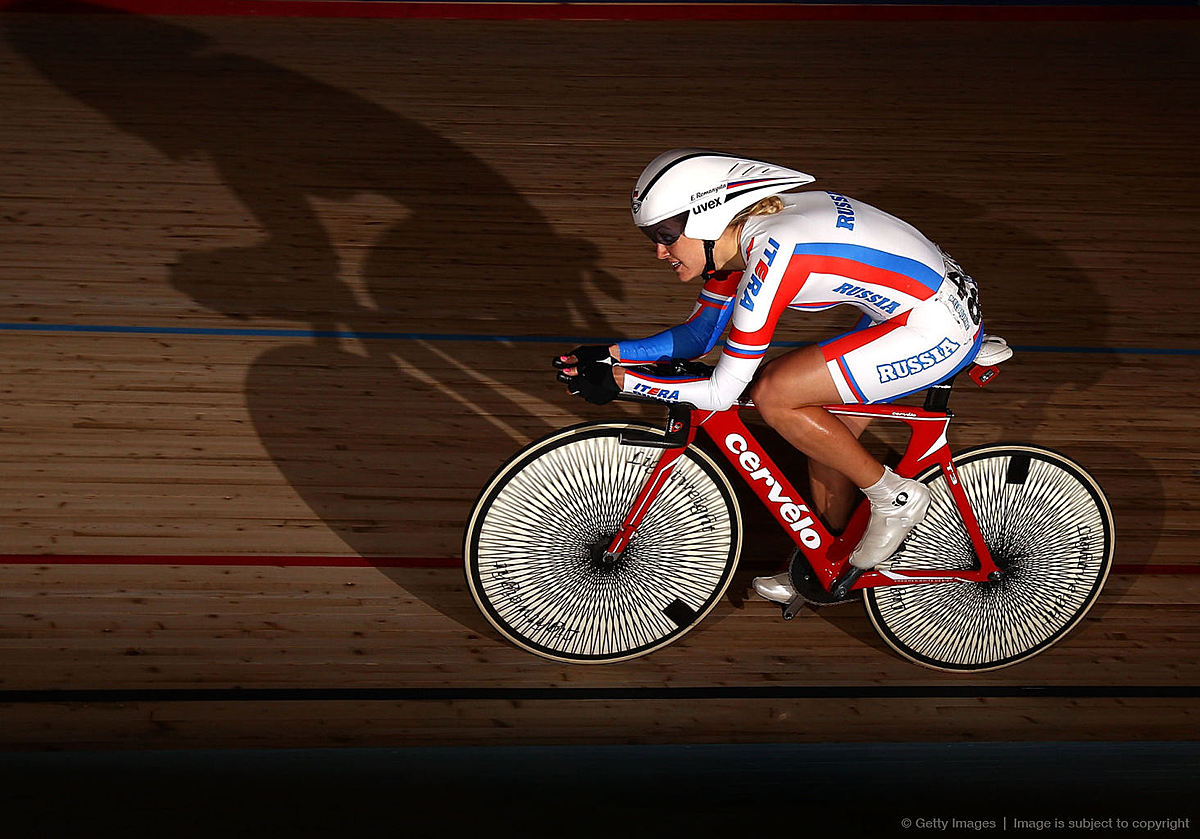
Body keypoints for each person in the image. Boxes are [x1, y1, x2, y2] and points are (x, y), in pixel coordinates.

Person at [555, 148, 988, 601]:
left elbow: (725, 390)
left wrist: (626, 383)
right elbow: (701, 337)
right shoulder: (736, 238)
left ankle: (894, 497)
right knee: (825, 435)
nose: (660, 252)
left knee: (775, 392)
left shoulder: (775, 252)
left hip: (934, 328)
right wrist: (610, 354)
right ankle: (828, 559)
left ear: (707, 218)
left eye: (665, 234)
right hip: (914, 305)